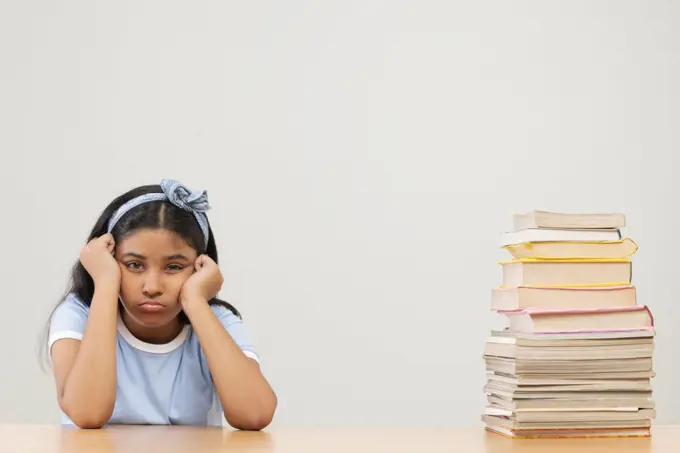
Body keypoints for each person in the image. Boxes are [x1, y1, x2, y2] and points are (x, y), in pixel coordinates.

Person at [45, 179, 277, 429]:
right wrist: (105, 283)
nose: (152, 287)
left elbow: (255, 415)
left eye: (174, 267)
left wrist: (196, 302)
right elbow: (86, 413)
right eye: (134, 265)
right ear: (109, 261)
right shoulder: (77, 314)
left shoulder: (216, 320)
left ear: (201, 268)